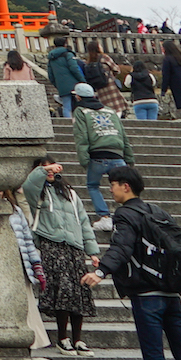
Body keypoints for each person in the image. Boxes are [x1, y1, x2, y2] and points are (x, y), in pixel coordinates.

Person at [82, 165, 181, 360]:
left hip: (147, 297)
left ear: (125, 187)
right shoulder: (158, 212)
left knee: (155, 359)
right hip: (172, 296)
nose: (110, 190)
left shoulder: (125, 214)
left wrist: (101, 271)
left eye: (113, 186)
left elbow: (122, 246)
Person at [22, 155, 100, 354]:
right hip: (51, 244)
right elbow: (29, 184)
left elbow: (83, 221)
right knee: (62, 292)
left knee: (79, 293)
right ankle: (63, 338)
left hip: (74, 247)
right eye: (43, 168)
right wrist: (45, 169)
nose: (49, 171)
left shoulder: (70, 194)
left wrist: (92, 251)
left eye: (51, 168)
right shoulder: (37, 192)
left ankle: (78, 339)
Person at [72, 84, 134, 230]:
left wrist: (84, 160)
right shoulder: (110, 111)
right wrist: (129, 158)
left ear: (78, 97)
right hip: (117, 154)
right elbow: (123, 135)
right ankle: (132, 213)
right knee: (125, 185)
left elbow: (81, 136)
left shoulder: (81, 111)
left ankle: (105, 217)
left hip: (98, 155)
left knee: (93, 185)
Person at [3, 189, 48, 349]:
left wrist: (37, 266)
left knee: (28, 308)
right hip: (2, 267)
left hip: (21, 265)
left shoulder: (15, 210)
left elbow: (28, 240)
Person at [82, 42, 126, 114]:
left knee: (106, 108)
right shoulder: (104, 57)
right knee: (117, 108)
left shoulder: (89, 61)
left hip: (99, 87)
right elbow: (116, 69)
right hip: (109, 84)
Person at [47, 36, 86, 118]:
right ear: (65, 44)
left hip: (61, 85)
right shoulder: (68, 54)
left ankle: (68, 124)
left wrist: (57, 85)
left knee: (66, 107)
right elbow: (74, 68)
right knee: (81, 105)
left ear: (54, 45)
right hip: (74, 84)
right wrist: (83, 80)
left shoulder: (51, 57)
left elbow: (50, 75)